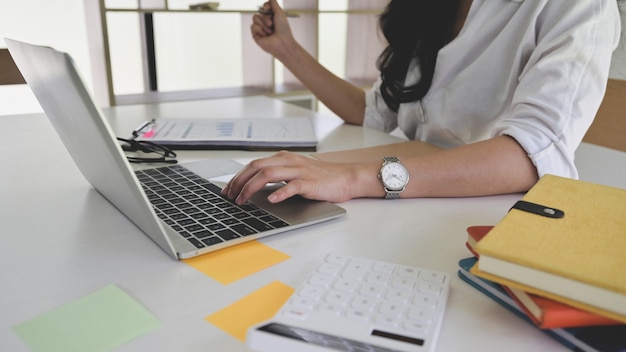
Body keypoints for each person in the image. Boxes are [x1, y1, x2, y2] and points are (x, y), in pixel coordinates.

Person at [222, 0, 621, 205]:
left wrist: (354, 177)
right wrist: (287, 50)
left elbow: (530, 154)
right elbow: (377, 111)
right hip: (408, 197)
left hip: (491, 214)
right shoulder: (429, 7)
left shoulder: (577, 5)